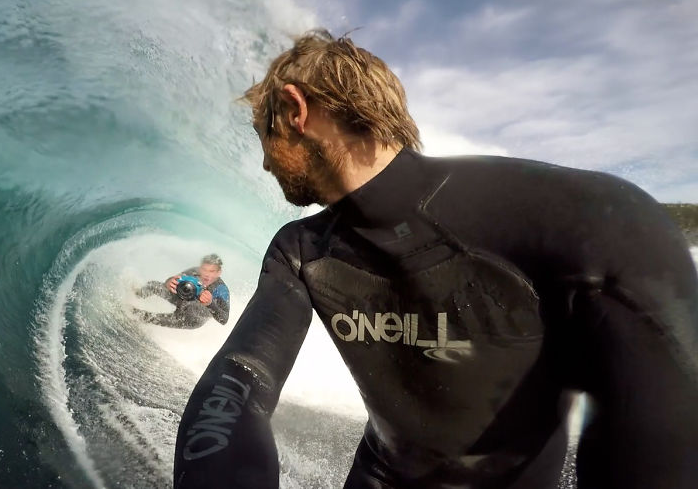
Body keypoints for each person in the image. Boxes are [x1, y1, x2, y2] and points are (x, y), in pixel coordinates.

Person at [173, 29, 698, 488]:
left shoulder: (589, 225)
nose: (265, 161)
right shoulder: (300, 250)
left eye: (264, 137)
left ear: (295, 110)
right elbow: (240, 378)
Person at [135, 253, 230, 329]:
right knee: (152, 285)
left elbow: (224, 320)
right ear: (200, 268)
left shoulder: (221, 289)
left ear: (219, 273)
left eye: (212, 271)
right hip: (181, 299)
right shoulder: (194, 272)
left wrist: (210, 303)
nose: (207, 274)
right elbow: (172, 281)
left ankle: (132, 316)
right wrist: (169, 282)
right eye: (204, 270)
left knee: (144, 316)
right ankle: (134, 296)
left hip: (191, 317)